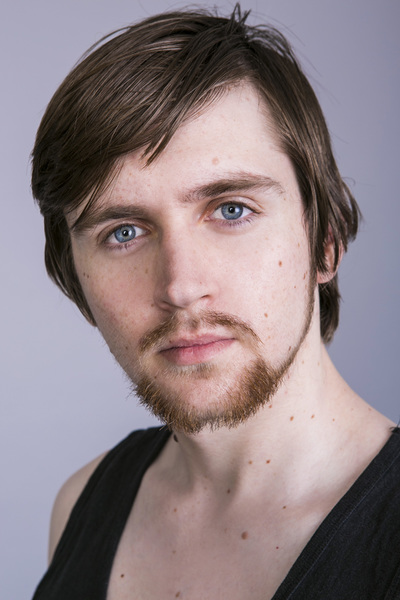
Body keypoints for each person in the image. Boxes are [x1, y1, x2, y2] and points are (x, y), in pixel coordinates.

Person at [31, 5, 400, 599]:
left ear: (325, 240)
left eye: (231, 210)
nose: (180, 286)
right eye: (123, 232)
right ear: (75, 280)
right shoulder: (80, 506)